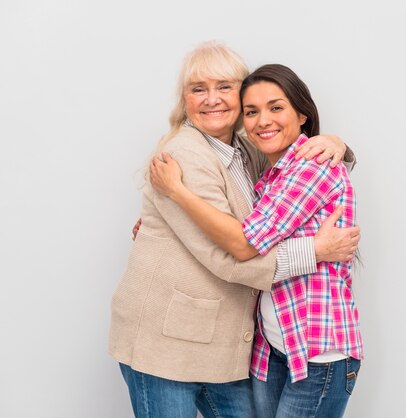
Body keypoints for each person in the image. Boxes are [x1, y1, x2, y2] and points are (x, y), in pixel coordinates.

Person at [109, 41, 359, 418]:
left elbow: (297, 166)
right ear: (185, 99)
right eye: (198, 89)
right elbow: (232, 255)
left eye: (225, 87)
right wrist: (314, 251)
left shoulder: (246, 149)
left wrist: (336, 144)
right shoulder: (186, 154)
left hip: (223, 344)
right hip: (165, 343)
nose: (212, 99)